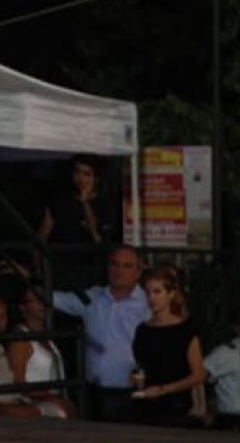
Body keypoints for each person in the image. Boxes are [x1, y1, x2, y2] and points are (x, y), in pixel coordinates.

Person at [51, 245, 151, 422]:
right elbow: (54, 299)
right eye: (115, 264)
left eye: (127, 266)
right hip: (92, 390)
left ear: (138, 271)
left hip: (131, 390)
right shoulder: (92, 298)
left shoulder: (148, 303)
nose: (119, 271)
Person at [129, 266, 205, 427]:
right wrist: (135, 378)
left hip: (177, 408)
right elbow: (140, 365)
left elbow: (198, 374)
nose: (151, 298)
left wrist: (164, 389)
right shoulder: (142, 330)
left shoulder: (185, 329)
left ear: (170, 294)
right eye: (148, 293)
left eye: (157, 292)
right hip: (146, 405)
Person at [37, 155, 114, 285]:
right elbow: (41, 237)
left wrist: (85, 202)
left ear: (95, 178)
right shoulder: (58, 202)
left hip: (91, 273)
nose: (81, 179)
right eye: (77, 173)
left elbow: (96, 236)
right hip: (61, 270)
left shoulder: (104, 204)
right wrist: (38, 268)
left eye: (86, 174)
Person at [8, 287, 76, 418]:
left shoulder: (45, 336)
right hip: (35, 401)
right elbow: (17, 383)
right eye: (35, 301)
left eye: (42, 299)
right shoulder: (21, 339)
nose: (41, 304)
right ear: (23, 307)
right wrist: (47, 396)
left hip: (53, 398)